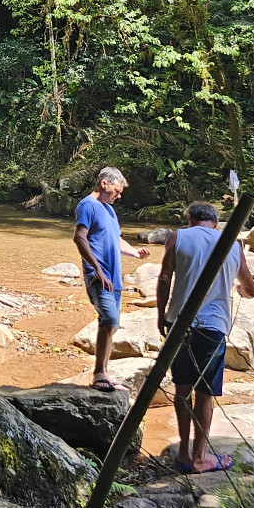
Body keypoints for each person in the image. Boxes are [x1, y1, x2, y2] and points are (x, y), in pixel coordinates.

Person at [156, 202, 254, 473]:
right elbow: (250, 289)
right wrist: (240, 286)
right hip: (213, 328)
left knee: (181, 390)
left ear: (190, 219)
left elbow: (165, 278)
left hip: (180, 324)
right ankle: (200, 459)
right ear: (216, 222)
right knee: (205, 395)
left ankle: (184, 455)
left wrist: (161, 315)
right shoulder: (232, 245)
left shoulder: (178, 237)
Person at [73, 167, 150, 392]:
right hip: (99, 275)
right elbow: (79, 238)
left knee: (113, 323)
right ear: (104, 183)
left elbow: (116, 241)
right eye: (116, 190)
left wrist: (135, 253)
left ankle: (103, 370)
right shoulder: (88, 205)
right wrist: (96, 268)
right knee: (107, 318)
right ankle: (99, 373)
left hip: (113, 276)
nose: (119, 195)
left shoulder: (109, 210)